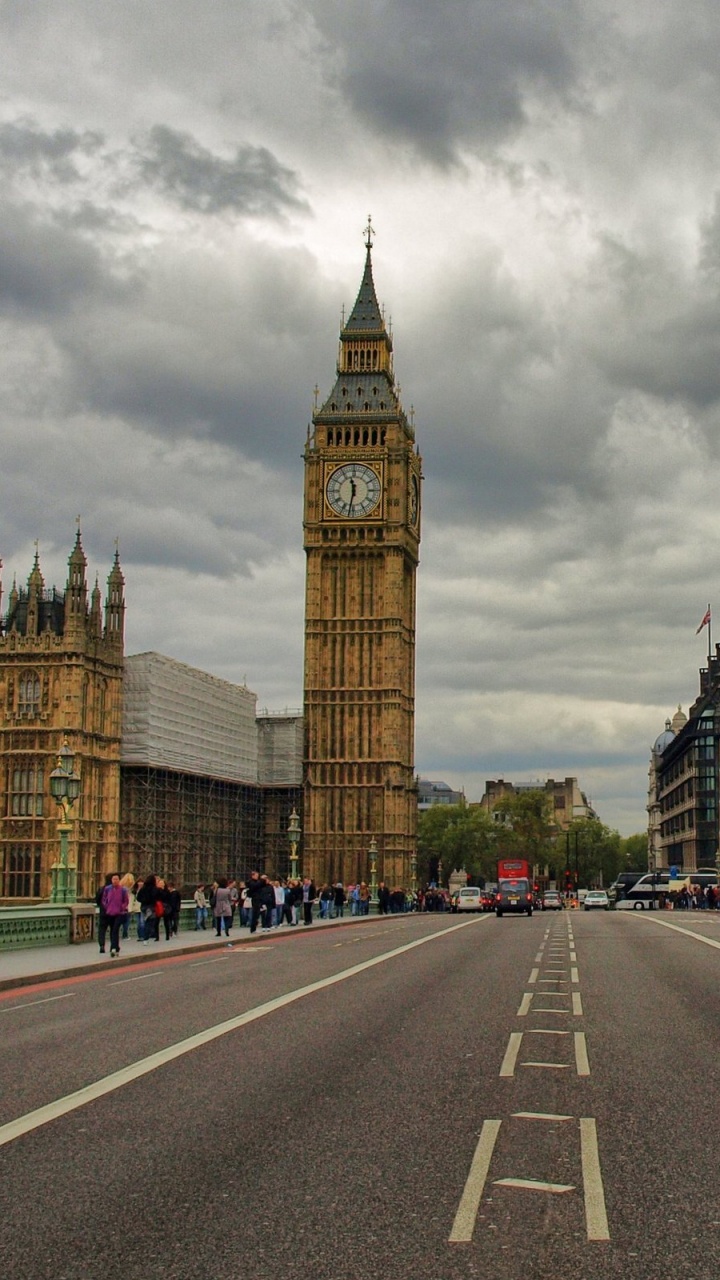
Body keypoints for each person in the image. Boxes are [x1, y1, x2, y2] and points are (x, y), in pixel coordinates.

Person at [100, 873, 129, 958]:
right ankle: (116, 947)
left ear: (119, 880)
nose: (115, 881)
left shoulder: (123, 890)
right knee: (113, 930)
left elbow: (126, 901)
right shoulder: (107, 889)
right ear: (111, 880)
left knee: (115, 929)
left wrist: (122, 908)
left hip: (119, 913)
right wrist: (107, 906)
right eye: (113, 879)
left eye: (116, 879)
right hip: (110, 913)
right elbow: (104, 899)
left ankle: (113, 948)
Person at [137, 873, 160, 944]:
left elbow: (138, 898)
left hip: (143, 907)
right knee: (149, 922)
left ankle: (143, 936)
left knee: (143, 921)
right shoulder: (154, 889)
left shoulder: (143, 888)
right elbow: (157, 897)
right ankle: (146, 937)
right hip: (151, 907)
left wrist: (144, 901)